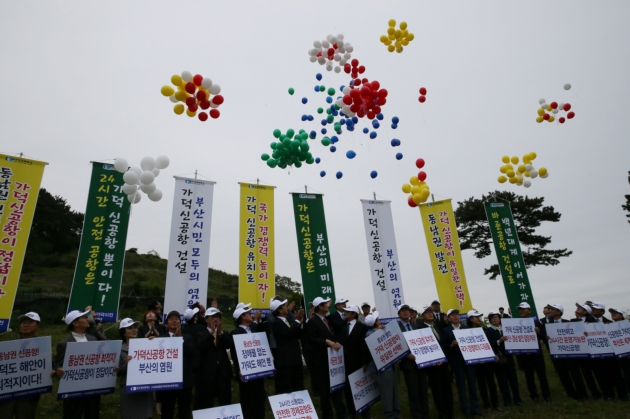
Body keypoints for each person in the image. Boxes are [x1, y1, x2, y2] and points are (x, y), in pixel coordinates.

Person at [53, 310, 101, 419]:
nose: (87, 320)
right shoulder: (64, 344)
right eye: (84, 318)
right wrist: (58, 370)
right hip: (72, 390)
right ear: (75, 323)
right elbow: (58, 364)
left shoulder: (93, 340)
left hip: (92, 388)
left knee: (92, 414)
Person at [306, 297, 348, 419]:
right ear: (320, 306)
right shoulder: (313, 322)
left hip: (332, 362)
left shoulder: (327, 320)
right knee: (325, 392)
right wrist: (327, 342)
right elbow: (312, 340)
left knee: (337, 389)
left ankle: (341, 414)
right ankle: (327, 415)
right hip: (321, 362)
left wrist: (336, 342)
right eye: (326, 304)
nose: (328, 305)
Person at [0, 312, 47, 419]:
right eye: (23, 322)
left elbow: (48, 366)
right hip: (6, 396)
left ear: (38, 326)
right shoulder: (8, 347)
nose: (25, 325)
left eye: (30, 322)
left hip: (28, 397)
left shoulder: (43, 346)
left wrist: (52, 371)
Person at [157, 310, 197, 419]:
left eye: (176, 319)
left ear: (180, 322)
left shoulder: (187, 337)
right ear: (166, 324)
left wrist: (180, 340)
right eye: (171, 319)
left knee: (184, 411)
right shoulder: (161, 339)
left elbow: (192, 352)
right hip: (167, 382)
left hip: (185, 381)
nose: (174, 321)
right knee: (167, 411)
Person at [441, 309, 481, 418]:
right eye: (452, 315)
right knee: (461, 386)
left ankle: (475, 407)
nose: (455, 317)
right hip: (457, 362)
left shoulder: (466, 328)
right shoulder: (446, 330)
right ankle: (465, 408)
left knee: (472, 384)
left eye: (456, 315)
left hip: (470, 360)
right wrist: (451, 345)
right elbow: (444, 345)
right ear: (448, 318)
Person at [416, 306, 454, 419]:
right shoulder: (420, 330)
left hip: (444, 363)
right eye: (427, 313)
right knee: (437, 390)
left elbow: (443, 346)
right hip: (432, 366)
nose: (430, 314)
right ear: (422, 317)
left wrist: (447, 361)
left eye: (431, 312)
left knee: (447, 389)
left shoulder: (437, 328)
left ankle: (450, 412)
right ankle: (442, 413)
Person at [545, 304, 588, 402]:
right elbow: (544, 336)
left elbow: (578, 334)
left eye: (553, 309)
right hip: (557, 354)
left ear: (559, 312)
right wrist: (546, 337)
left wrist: (583, 333)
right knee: (563, 375)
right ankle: (571, 395)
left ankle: (583, 395)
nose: (551, 311)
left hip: (571, 354)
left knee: (576, 374)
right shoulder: (548, 325)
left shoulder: (569, 323)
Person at [230, 306, 267, 419]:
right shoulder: (235, 332)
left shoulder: (255, 330)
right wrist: (238, 370)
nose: (250, 314)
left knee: (260, 399)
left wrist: (267, 366)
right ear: (242, 316)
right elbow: (235, 355)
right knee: (248, 401)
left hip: (258, 372)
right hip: (246, 373)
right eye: (247, 313)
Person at [364, 312, 401, 419]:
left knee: (394, 392)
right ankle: (389, 415)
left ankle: (397, 414)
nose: (379, 320)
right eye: (377, 319)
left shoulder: (379, 330)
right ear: (375, 322)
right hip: (381, 369)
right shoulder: (369, 334)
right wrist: (380, 331)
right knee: (387, 394)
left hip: (390, 367)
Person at [194, 308, 233, 409]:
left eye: (217, 317)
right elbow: (200, 346)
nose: (216, 319)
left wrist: (220, 331)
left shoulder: (223, 334)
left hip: (223, 373)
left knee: (225, 401)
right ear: (206, 319)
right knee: (206, 403)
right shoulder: (200, 334)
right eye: (213, 317)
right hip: (207, 374)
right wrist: (211, 332)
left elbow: (230, 345)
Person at [587, 302, 627, 401]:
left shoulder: (610, 323)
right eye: (592, 308)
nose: (593, 310)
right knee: (601, 376)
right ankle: (608, 395)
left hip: (611, 355)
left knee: (616, 375)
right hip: (596, 355)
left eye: (595, 309)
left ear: (601, 312)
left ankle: (622, 395)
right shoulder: (587, 323)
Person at [396, 303, 429, 419]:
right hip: (408, 364)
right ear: (398, 314)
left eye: (407, 310)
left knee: (423, 389)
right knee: (413, 390)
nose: (406, 312)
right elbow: (396, 346)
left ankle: (426, 413)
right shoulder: (396, 328)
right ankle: (417, 415)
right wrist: (406, 354)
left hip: (421, 362)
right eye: (402, 310)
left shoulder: (416, 326)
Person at [117, 318, 154, 419]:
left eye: (135, 328)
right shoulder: (119, 349)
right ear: (124, 333)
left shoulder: (144, 345)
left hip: (144, 388)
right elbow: (118, 371)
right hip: (128, 390)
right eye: (130, 328)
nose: (134, 330)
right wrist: (127, 363)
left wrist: (153, 343)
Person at [515, 302, 551, 403]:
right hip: (525, 355)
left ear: (529, 310)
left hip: (537, 354)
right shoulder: (516, 324)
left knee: (542, 375)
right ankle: (534, 395)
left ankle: (546, 394)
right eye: (520, 310)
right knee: (529, 376)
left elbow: (545, 336)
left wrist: (539, 332)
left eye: (524, 309)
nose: (521, 311)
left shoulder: (537, 323)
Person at [486, 311, 522, 407]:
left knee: (513, 379)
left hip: (509, 357)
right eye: (492, 318)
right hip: (498, 359)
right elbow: (489, 344)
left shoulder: (507, 329)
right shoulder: (488, 331)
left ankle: (517, 399)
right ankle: (507, 401)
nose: (495, 319)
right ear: (490, 320)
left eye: (496, 317)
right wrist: (499, 341)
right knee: (502, 381)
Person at [339, 305, 369, 418]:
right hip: (345, 363)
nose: (345, 313)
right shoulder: (342, 326)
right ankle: (352, 412)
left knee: (361, 388)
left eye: (348, 312)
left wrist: (365, 362)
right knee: (348, 389)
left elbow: (364, 346)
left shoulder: (361, 327)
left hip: (358, 363)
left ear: (354, 314)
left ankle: (365, 413)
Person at [467, 311, 500, 412]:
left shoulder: (485, 330)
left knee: (491, 382)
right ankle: (487, 405)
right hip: (477, 362)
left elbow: (489, 344)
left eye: (479, 317)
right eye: (476, 317)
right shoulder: (466, 332)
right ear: (471, 319)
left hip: (488, 360)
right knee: (482, 383)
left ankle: (495, 404)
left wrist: (494, 354)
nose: (478, 319)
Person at [271, 299, 305, 395]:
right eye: (284, 306)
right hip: (285, 362)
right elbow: (287, 334)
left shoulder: (287, 321)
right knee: (285, 388)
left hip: (295, 359)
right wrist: (297, 321)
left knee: (298, 385)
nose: (287, 308)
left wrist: (300, 323)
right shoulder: (276, 323)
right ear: (280, 310)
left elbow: (296, 335)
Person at [570, 303, 601, 400]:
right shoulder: (573, 321)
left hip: (594, 351)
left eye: (579, 308)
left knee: (598, 373)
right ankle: (594, 392)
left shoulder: (593, 321)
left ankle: (607, 392)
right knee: (586, 374)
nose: (577, 309)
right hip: (582, 352)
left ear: (585, 312)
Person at [609, 308, 630, 392]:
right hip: (618, 353)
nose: (613, 314)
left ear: (621, 315)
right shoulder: (608, 326)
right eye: (612, 313)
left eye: (616, 313)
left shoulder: (627, 324)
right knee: (623, 372)